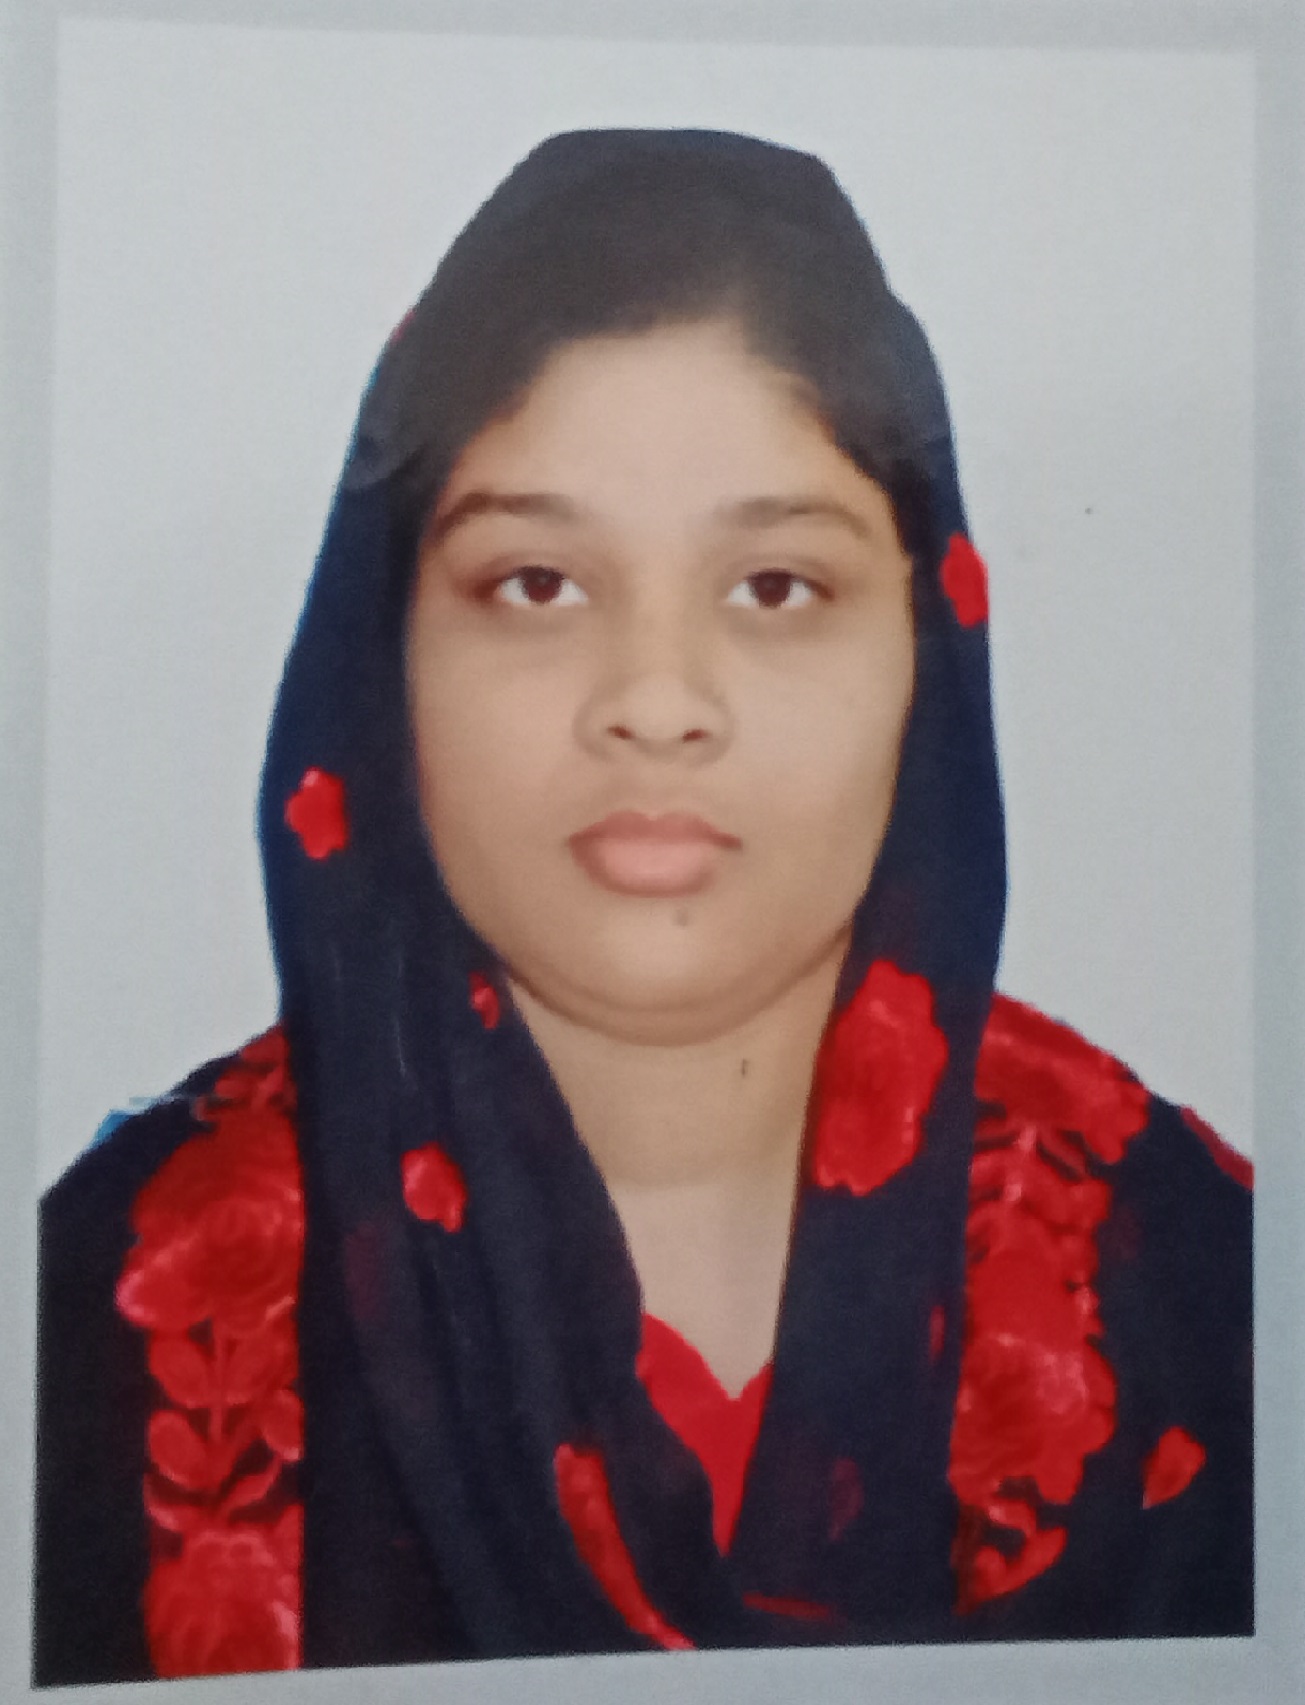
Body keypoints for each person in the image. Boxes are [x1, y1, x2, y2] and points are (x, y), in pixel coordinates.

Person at [32, 129, 1253, 1684]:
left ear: (927, 647)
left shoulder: (1202, 1290)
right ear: (381, 654)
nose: (658, 699)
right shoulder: (92, 1324)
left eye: (774, 588)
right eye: (536, 583)